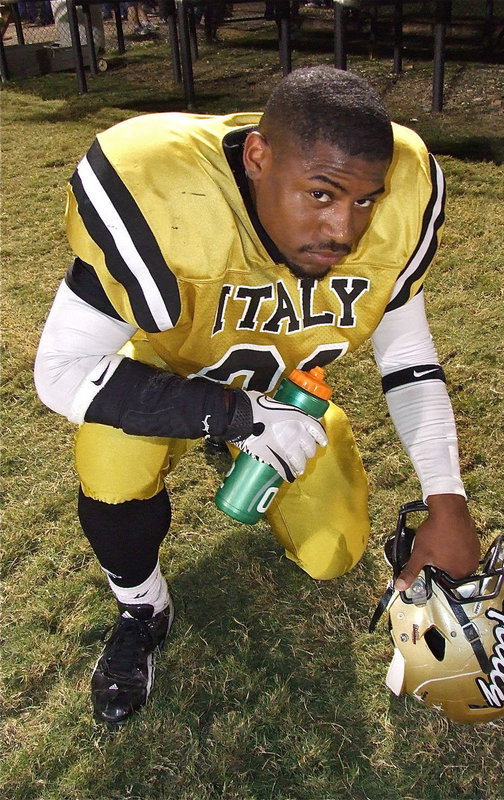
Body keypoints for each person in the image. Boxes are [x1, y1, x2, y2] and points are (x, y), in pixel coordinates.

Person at [34, 65, 480, 726]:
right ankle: (141, 609)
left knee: (332, 554)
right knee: (110, 463)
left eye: (364, 200)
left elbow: (409, 360)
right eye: (322, 194)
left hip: (289, 392)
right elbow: (62, 370)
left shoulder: (395, 205)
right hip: (170, 371)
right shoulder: (164, 192)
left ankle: (239, 440)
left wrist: (447, 500)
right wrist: (232, 414)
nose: (344, 229)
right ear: (257, 158)